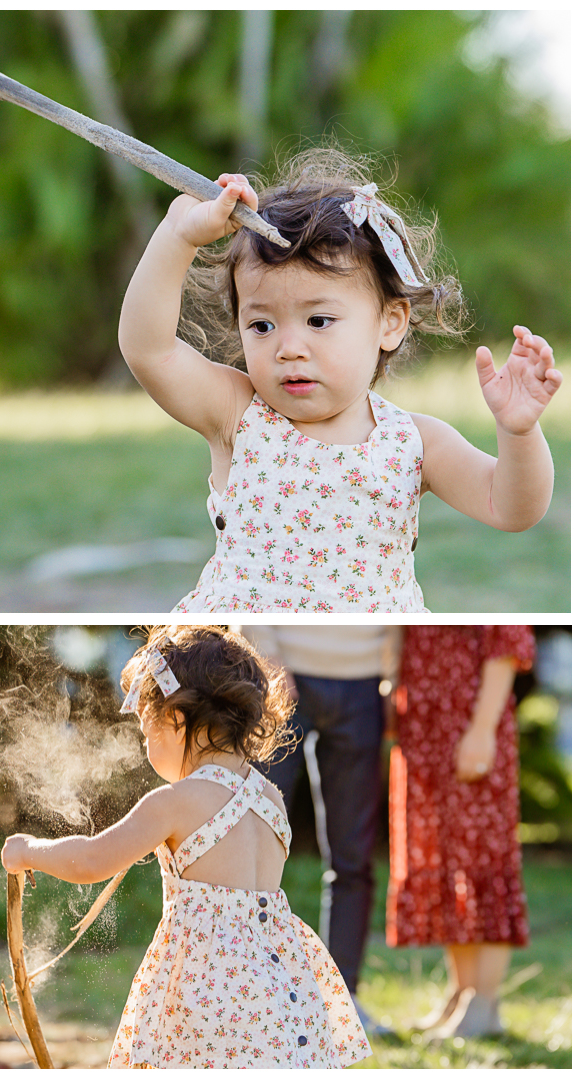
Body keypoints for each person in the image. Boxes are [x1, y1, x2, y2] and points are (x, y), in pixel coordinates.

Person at [117, 146, 562, 613]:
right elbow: (149, 350)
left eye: (319, 321)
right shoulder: (238, 413)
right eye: (262, 326)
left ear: (390, 323)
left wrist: (519, 431)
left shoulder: (415, 442)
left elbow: (512, 508)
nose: (288, 347)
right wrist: (177, 235)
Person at [1, 625, 372, 1069]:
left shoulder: (175, 802)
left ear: (176, 719)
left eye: (145, 731)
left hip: (208, 990)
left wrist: (29, 851)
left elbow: (93, 859)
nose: (144, 745)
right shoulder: (270, 797)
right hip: (277, 984)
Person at [238, 625, 400, 1037]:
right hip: (283, 673)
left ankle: (342, 1002)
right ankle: (245, 993)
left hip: (364, 685)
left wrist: (393, 677)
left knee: (353, 856)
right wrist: (268, 660)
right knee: (249, 845)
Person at [386, 625, 535, 1038]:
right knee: (450, 865)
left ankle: (484, 1002)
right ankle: (463, 993)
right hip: (426, 734)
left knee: (482, 861)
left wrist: (483, 730)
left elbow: (507, 644)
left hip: (470, 724)